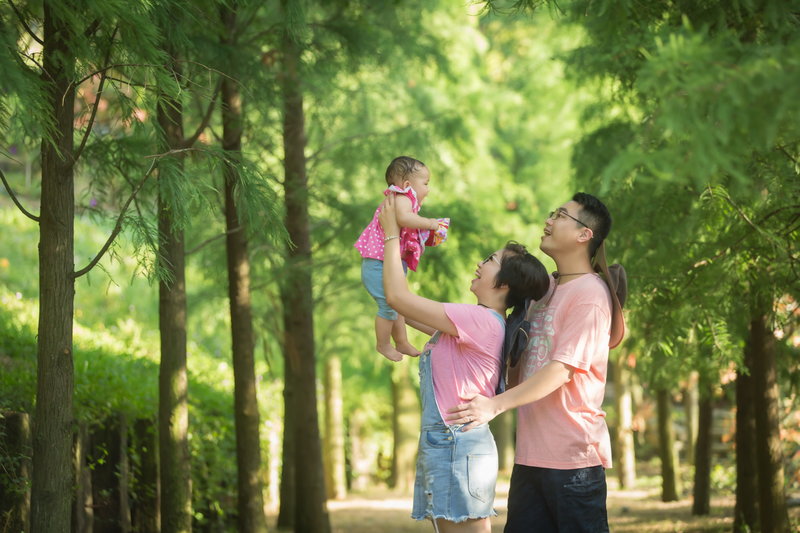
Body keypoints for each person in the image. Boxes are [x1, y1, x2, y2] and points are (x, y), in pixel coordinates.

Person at [447, 193, 626, 533]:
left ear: (583, 234)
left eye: (560, 215)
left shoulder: (590, 295)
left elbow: (561, 370)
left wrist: (494, 406)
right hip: (530, 458)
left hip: (574, 462)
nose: (549, 220)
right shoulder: (545, 291)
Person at [378, 193, 550, 533]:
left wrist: (391, 234)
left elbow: (399, 298)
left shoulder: (478, 320)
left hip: (456, 444)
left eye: (490, 260)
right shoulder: (472, 323)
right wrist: (403, 246)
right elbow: (402, 309)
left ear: (503, 284)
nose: (479, 264)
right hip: (448, 443)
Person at [355, 156, 449, 362]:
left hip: (386, 263)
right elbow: (404, 219)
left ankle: (402, 341)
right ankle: (383, 344)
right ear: (408, 185)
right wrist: (431, 223)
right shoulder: (402, 197)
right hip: (378, 265)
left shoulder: (402, 199)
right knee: (388, 307)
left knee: (398, 305)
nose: (428, 189)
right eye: (426, 183)